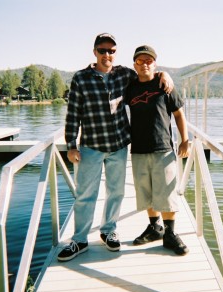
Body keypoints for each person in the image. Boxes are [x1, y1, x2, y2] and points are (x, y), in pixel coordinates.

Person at [58, 34, 174, 262]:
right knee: (85, 195)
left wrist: (164, 74)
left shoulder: (124, 74)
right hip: (91, 146)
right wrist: (71, 145)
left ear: (116, 53)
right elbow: (73, 113)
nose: (107, 55)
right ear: (94, 52)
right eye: (102, 50)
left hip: (119, 145)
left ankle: (108, 230)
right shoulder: (81, 78)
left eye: (111, 51)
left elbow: (147, 74)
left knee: (116, 192)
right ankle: (80, 239)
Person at [124, 45, 190, 255]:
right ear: (134, 64)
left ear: (155, 63)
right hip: (138, 149)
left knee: (166, 192)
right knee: (146, 191)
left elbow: (179, 115)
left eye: (149, 60)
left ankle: (170, 233)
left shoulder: (164, 85)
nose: (145, 64)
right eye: (140, 61)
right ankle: (155, 227)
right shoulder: (130, 87)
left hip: (163, 148)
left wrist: (184, 140)